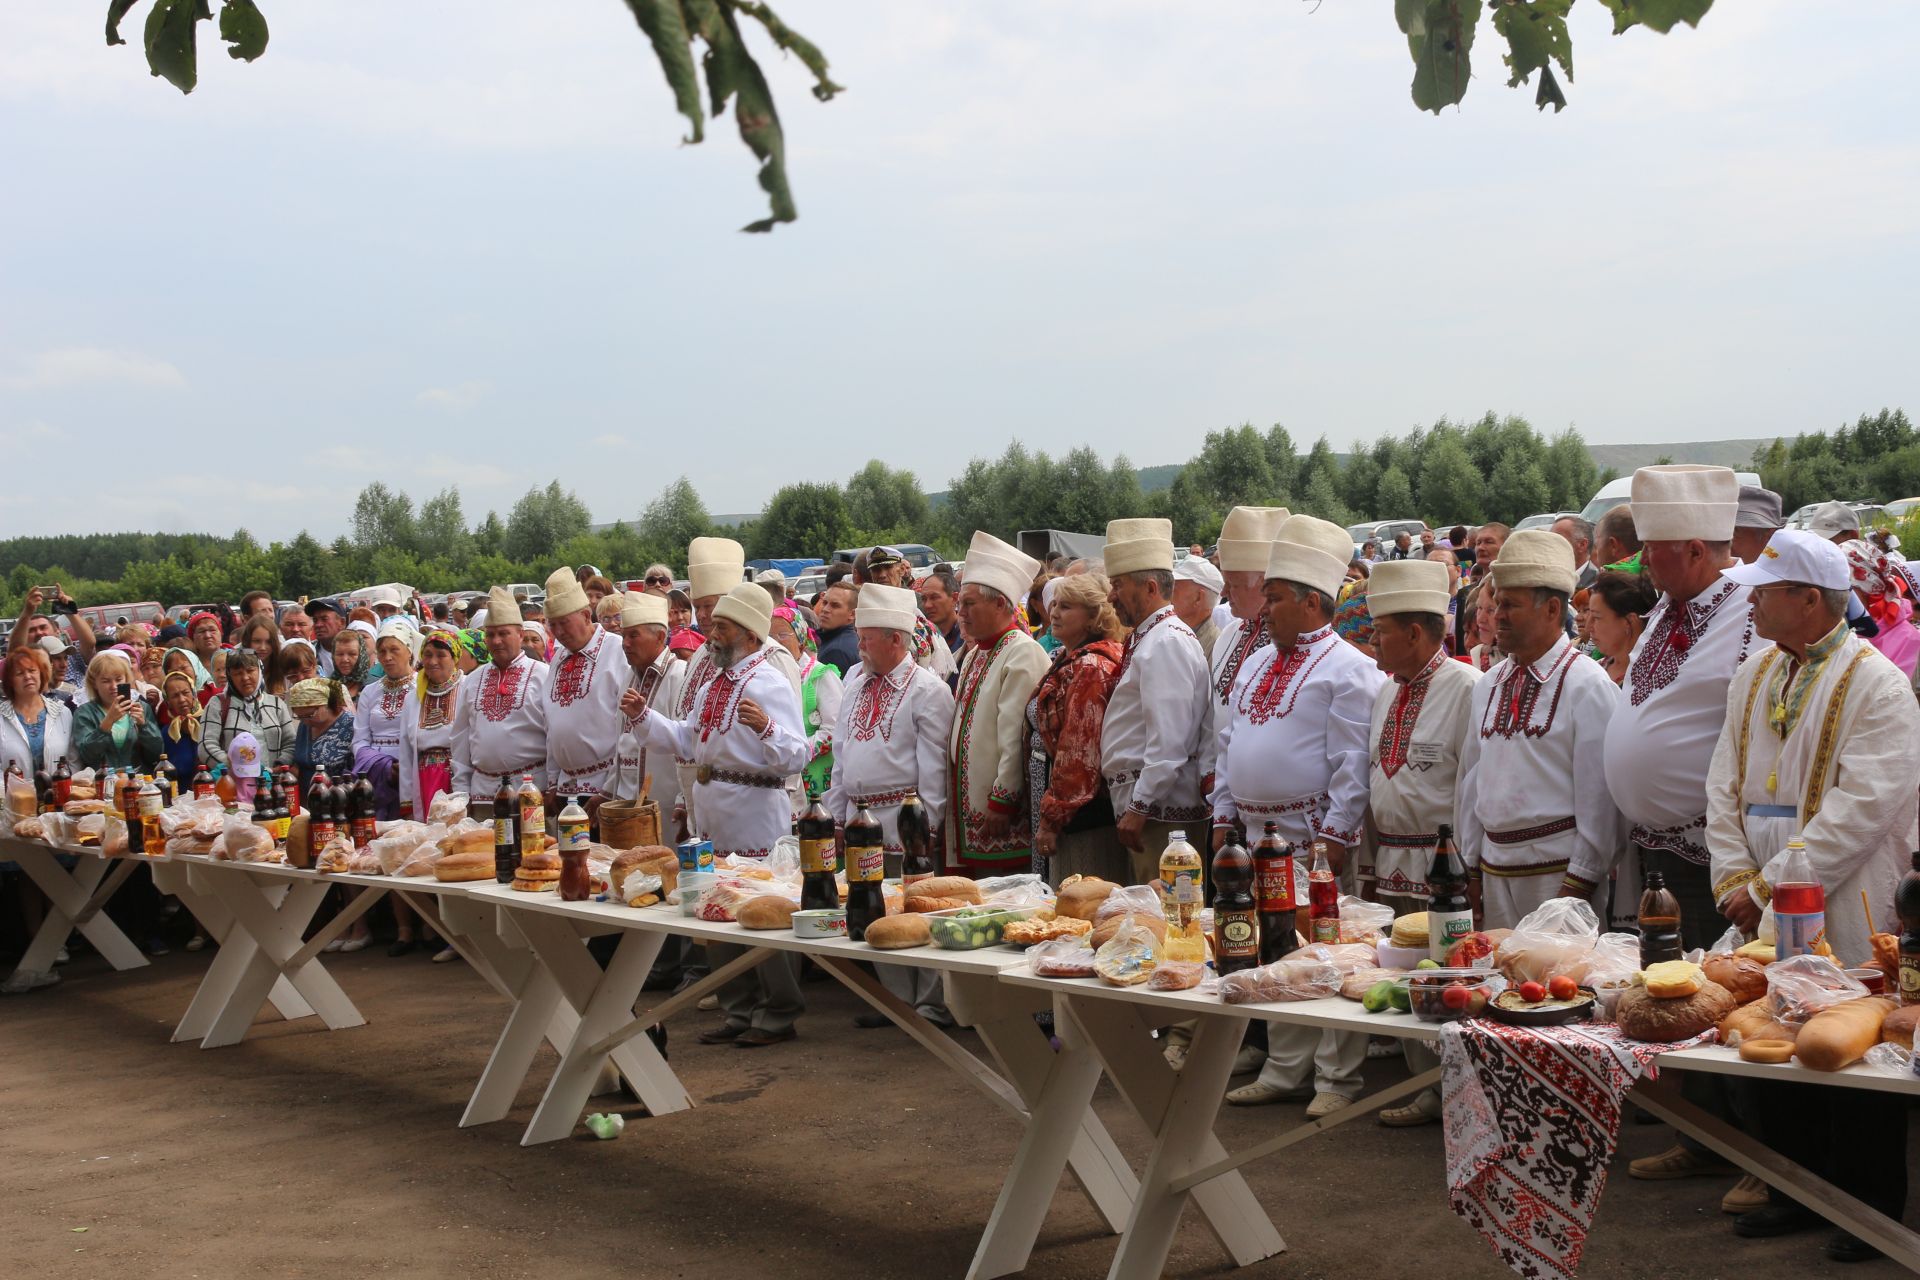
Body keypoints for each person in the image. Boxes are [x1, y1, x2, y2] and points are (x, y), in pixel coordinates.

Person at [1704, 529, 1920, 1262]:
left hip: (1846, 887)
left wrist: (1771, 885)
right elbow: (1722, 784)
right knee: (1775, 1036)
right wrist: (1733, 878)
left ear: (1808, 598)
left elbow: (1863, 807)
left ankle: (1865, 1206)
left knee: (1849, 1045)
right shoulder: (1755, 673)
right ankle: (1792, 1188)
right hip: (1760, 893)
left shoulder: (1877, 683)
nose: (1753, 602)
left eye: (1766, 590)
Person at [1214, 515, 1385, 1117]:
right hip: (1257, 836)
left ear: (1312, 602)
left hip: (1312, 837)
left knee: (1330, 951)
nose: (1265, 607)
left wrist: (1334, 838)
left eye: (1276, 597)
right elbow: (1229, 741)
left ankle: (1337, 1078)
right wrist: (1222, 813)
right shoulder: (1258, 662)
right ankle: (1286, 1066)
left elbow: (1351, 760)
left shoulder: (1347, 668)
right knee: (1277, 951)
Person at [634, 583, 810, 1047]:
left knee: (761, 911)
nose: (711, 634)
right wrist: (644, 719)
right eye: (712, 626)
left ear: (750, 635)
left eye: (721, 626)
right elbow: (690, 740)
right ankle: (739, 1008)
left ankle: (777, 1012)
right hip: (713, 812)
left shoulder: (768, 681)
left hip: (754, 811)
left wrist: (768, 727)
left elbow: (797, 754)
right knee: (717, 911)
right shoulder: (714, 682)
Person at [1455, 531, 1624, 927]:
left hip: (1560, 877)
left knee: (1561, 985)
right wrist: (1472, 868)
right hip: (1494, 873)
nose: (1497, 616)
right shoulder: (1489, 683)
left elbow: (1600, 797)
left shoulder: (1587, 684)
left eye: (1510, 605)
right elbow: (1472, 781)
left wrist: (1578, 884)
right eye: (1497, 603)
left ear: (1551, 609)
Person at [1362, 560, 1479, 1128]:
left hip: (1443, 870)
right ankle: (1424, 1087)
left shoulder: (1466, 688)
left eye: (1381, 630)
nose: (1371, 639)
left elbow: (1471, 785)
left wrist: (1466, 868)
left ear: (1413, 633)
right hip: (1390, 860)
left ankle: (1460, 1093)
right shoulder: (1385, 691)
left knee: (1448, 980)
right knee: (1407, 978)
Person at [825, 583, 955, 1025]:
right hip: (862, 821)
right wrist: (838, 813)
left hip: (905, 821)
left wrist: (927, 828)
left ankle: (932, 1003)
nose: (858, 645)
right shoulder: (855, 681)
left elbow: (933, 766)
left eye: (866, 637)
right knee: (874, 906)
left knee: (917, 908)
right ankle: (897, 1001)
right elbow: (842, 753)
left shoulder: (927, 690)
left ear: (895, 640)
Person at [1101, 518, 1211, 883]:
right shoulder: (1152, 638)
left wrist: (1139, 807)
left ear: (1149, 587)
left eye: (1117, 585)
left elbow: (1169, 739)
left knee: (1166, 920)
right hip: (1152, 813)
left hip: (1161, 819)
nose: (1110, 596)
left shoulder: (1166, 642)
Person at [948, 533, 1050, 874]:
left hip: (998, 818)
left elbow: (1015, 734)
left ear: (1001, 604)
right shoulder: (976, 652)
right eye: (960, 603)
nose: (960, 612)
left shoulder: (1021, 650)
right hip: (973, 817)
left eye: (969, 603)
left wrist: (1002, 800)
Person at [1025, 572, 1126, 883]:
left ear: (1094, 616)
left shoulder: (1090, 668)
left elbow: (1078, 755)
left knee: (1078, 903)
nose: (1054, 612)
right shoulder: (1073, 658)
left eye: (1067, 606)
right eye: (1054, 604)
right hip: (1067, 803)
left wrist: (1052, 820)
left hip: (1082, 814)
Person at [1201, 507, 1290, 797]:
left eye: (1235, 584)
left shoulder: (1292, 643)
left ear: (1266, 585)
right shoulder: (1229, 634)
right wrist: (1208, 773)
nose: (1224, 592)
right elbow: (1212, 711)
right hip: (1223, 792)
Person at [542, 566, 632, 807]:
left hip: (605, 788)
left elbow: (630, 728)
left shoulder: (617, 650)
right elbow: (552, 725)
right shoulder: (558, 659)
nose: (559, 632)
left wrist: (609, 788)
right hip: (565, 788)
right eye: (553, 625)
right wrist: (552, 781)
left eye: (564, 623)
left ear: (584, 615)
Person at [452, 587, 550, 798]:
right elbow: (460, 738)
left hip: (533, 788)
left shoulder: (543, 675)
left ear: (520, 634)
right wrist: (461, 791)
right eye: (491, 635)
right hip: (483, 792)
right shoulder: (472, 680)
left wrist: (554, 785)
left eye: (504, 633)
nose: (496, 641)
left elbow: (555, 735)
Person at [612, 592, 684, 816]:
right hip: (626, 801)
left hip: (665, 804)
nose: (625, 643)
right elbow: (621, 744)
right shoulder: (629, 677)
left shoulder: (679, 675)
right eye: (623, 635)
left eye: (634, 635)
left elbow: (688, 746)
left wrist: (684, 802)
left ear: (661, 637)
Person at [772, 602, 841, 801]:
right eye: (770, 637)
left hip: (816, 775)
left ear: (801, 639)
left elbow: (834, 729)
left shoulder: (820, 674)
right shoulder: (768, 677)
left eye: (783, 635)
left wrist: (797, 753)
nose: (776, 642)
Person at [354, 618, 420, 821]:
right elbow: (360, 740)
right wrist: (382, 766)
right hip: (375, 773)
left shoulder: (422, 688)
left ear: (409, 651)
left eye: (394, 650)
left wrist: (407, 766)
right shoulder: (369, 691)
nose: (387, 657)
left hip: (413, 770)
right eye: (382, 651)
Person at [200, 650, 295, 771]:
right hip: (233, 782)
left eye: (250, 671)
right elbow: (206, 745)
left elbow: (290, 742)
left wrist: (277, 767)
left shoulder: (276, 704)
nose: (245, 677)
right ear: (230, 676)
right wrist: (238, 768)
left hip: (274, 781)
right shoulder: (217, 704)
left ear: (259, 671)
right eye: (238, 673)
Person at [71, 651, 163, 773]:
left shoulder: (141, 707)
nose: (113, 686)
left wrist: (144, 726)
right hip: (103, 782)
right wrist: (107, 723)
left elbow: (157, 753)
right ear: (94, 683)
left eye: (119, 679)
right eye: (106, 681)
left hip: (137, 781)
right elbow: (87, 755)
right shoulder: (84, 713)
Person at [1, 648, 73, 784]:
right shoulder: (1, 718)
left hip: (59, 799)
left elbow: (74, 762)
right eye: (20, 673)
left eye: (32, 670)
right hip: (13, 801)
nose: (27, 676)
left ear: (41, 674)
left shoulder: (63, 713)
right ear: (10, 681)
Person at [9, 586, 95, 687]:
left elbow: (89, 643)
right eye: (32, 630)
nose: (39, 633)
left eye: (43, 627)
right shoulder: (28, 663)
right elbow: (14, 652)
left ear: (57, 631)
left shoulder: (71, 656)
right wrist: (27, 612)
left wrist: (69, 610)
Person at [1586, 570, 1658, 684]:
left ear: (1630, 621)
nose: (1588, 627)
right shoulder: (1592, 670)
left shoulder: (1652, 680)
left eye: (1597, 617)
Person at [289, 677, 355, 793]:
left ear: (328, 704)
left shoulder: (350, 725)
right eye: (299, 716)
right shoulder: (305, 725)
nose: (305, 721)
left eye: (310, 715)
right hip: (307, 799)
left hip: (338, 797)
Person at [1171, 556, 1224, 659]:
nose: (1167, 596)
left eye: (1174, 590)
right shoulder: (1177, 633)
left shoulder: (1216, 647)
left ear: (1198, 598)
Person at [159, 670, 205, 784]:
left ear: (194, 694)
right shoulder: (168, 733)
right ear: (168, 702)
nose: (182, 699)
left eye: (186, 693)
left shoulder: (209, 722)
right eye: (175, 696)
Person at [917, 565, 965, 661]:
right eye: (924, 599)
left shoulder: (968, 638)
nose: (927, 605)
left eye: (934, 597)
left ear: (955, 598)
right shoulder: (921, 637)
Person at [1553, 515, 1598, 591]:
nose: (1551, 545)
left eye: (1558, 539)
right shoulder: (1549, 578)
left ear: (1582, 544)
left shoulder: (1598, 584)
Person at [1594, 503, 1642, 572]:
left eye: (1597, 545)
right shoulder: (1656, 577)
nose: (1596, 552)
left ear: (1613, 545)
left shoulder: (1608, 581)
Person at [329, 624, 374, 697]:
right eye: (339, 654)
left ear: (361, 655)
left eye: (352, 654)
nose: (344, 659)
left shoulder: (374, 686)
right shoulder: (326, 687)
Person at [307, 600, 343, 676]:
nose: (318, 625)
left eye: (324, 619)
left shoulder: (357, 654)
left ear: (341, 623)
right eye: (315, 620)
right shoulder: (308, 653)